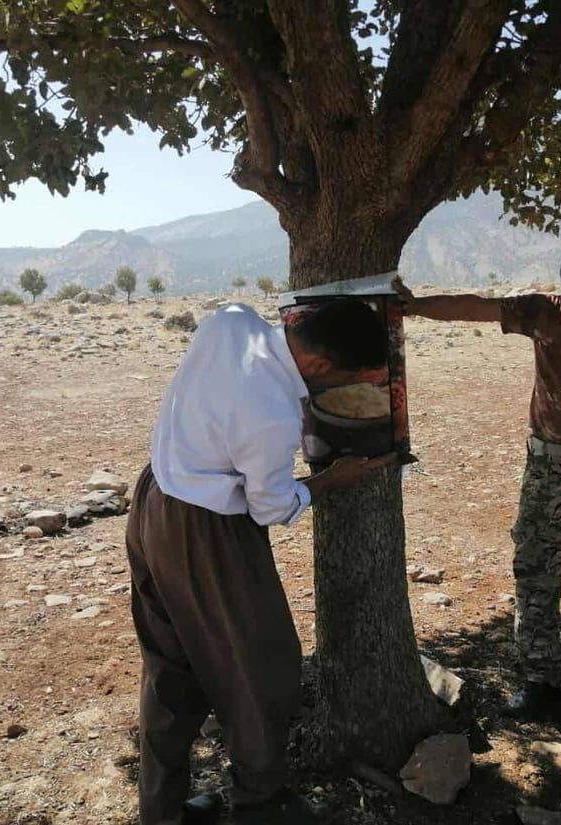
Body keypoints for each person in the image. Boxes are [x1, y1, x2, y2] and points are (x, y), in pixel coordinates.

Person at [126, 299, 397, 825]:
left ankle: (161, 812)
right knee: (262, 669)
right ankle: (259, 804)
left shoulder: (231, 319)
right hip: (207, 531)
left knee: (170, 665)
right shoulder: (270, 412)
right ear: (319, 368)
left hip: (155, 498)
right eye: (341, 378)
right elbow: (269, 507)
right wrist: (328, 481)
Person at [396, 239, 561, 723]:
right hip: (548, 469)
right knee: (536, 576)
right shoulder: (545, 314)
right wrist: (415, 306)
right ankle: (539, 681)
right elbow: (476, 308)